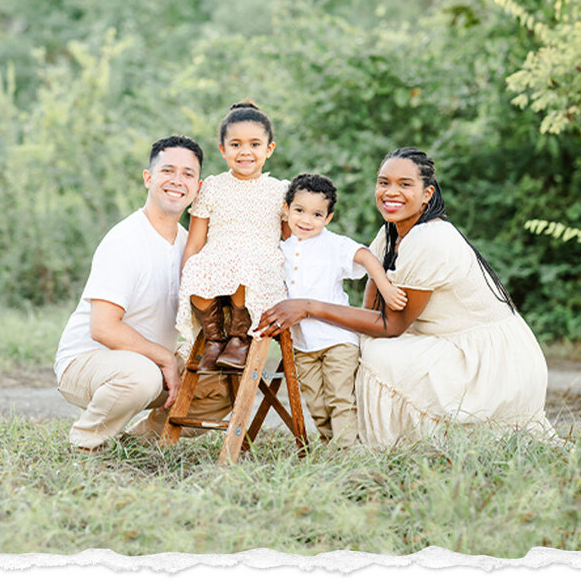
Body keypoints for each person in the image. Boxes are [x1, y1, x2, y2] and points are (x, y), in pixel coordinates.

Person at [257, 147, 553, 447]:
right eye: (384, 182)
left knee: (377, 354)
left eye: (405, 184)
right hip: (441, 342)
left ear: (427, 194)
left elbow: (390, 326)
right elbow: (371, 311)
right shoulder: (390, 235)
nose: (390, 192)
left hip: (488, 362)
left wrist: (309, 307)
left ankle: (378, 443)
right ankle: (341, 438)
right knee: (363, 345)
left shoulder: (431, 238)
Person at [54, 136, 231, 451]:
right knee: (143, 377)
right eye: (167, 171)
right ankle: (85, 443)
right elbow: (103, 327)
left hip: (149, 364)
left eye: (188, 174)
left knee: (223, 386)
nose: (177, 181)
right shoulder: (125, 240)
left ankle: (140, 440)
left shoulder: (189, 244)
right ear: (148, 178)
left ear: (198, 187)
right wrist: (165, 358)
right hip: (88, 361)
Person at [281, 173, 407, 447]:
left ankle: (347, 452)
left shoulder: (333, 244)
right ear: (286, 209)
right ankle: (332, 447)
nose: (306, 220)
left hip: (338, 339)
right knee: (315, 403)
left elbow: (365, 256)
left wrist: (385, 287)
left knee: (340, 397)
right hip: (302, 343)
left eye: (316, 214)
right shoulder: (281, 249)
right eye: (299, 210)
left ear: (328, 219)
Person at [176, 101, 288, 372]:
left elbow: (290, 237)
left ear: (269, 149)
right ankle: (215, 340)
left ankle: (239, 338)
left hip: (260, 261)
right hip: (217, 257)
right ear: (223, 150)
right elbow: (195, 241)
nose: (245, 152)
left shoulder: (280, 190)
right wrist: (183, 280)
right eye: (236, 145)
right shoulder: (213, 187)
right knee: (196, 266)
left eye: (254, 144)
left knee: (244, 264)